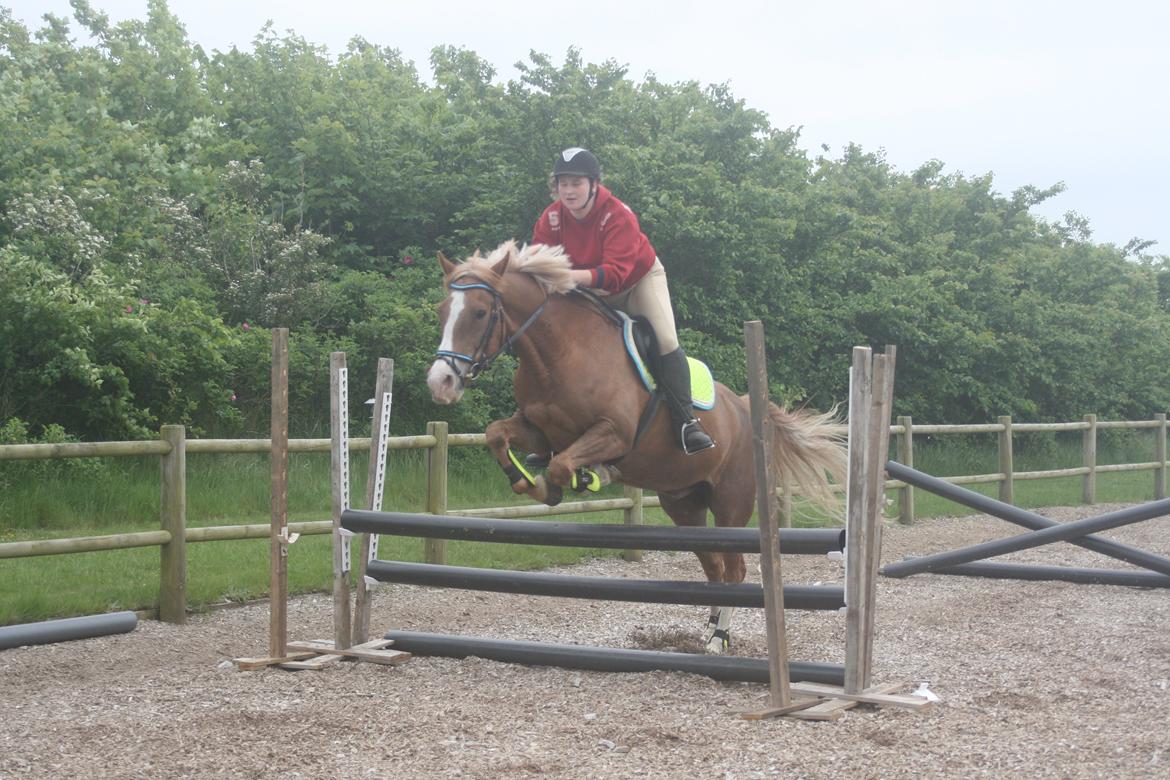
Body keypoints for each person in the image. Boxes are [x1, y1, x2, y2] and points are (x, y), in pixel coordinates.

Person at [532, 147, 715, 455]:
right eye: (563, 183)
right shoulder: (550, 219)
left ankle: (687, 423)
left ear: (593, 184)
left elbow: (616, 275)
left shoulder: (617, 214)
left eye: (576, 183)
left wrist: (566, 276)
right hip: (587, 289)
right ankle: (551, 432)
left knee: (664, 339)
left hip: (637, 282)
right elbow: (540, 264)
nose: (568, 191)